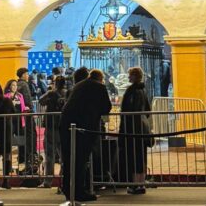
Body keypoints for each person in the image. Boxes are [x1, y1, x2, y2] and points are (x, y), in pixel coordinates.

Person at [60, 69, 113, 202]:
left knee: (69, 159)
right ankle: (79, 192)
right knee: (81, 160)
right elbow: (106, 107)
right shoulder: (100, 87)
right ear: (100, 79)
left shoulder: (78, 85)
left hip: (66, 124)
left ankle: (68, 190)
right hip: (84, 127)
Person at [117, 67, 152, 194]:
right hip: (142, 128)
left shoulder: (132, 91)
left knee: (133, 156)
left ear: (135, 76)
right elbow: (147, 109)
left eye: (130, 75)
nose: (128, 77)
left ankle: (134, 184)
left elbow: (127, 110)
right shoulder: (142, 90)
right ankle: (141, 183)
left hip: (132, 128)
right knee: (141, 156)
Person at [38, 74, 68, 177]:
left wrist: (50, 91)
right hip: (63, 125)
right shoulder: (68, 93)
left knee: (49, 155)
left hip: (51, 125)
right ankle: (63, 177)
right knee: (64, 155)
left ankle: (48, 179)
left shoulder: (51, 93)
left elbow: (41, 101)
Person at [15, 68, 38, 167]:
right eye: (27, 74)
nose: (28, 75)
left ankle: (22, 157)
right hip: (27, 114)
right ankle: (31, 156)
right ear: (23, 75)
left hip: (20, 116)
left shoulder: (16, 84)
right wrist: (32, 111)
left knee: (22, 135)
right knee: (31, 134)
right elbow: (28, 99)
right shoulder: (24, 85)